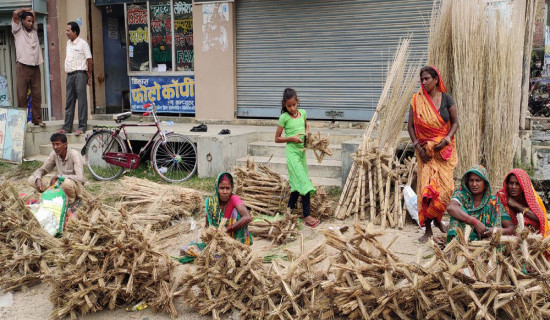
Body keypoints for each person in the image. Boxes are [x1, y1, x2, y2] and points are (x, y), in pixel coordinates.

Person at [408, 66, 459, 242]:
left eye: (427, 78)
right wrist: (419, 148)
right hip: (426, 154)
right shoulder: (416, 100)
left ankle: (438, 220)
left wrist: (447, 139)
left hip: (444, 152)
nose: (424, 82)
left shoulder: (446, 98)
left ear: (436, 79)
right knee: (427, 191)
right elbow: (411, 127)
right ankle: (428, 229)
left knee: (446, 190)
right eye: (422, 79)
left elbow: (455, 123)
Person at [275, 88, 320, 228]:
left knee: (296, 185)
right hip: (292, 154)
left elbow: (306, 126)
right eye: (289, 106)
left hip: (301, 154)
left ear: (297, 102)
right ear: (284, 104)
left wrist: (308, 133)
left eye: (294, 105)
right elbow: (277, 139)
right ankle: (307, 215)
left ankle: (288, 211)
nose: (292, 108)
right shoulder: (284, 118)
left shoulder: (303, 113)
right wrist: (292, 138)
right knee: (304, 183)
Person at [446, 165, 514, 242]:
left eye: (478, 180)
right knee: (457, 213)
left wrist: (498, 231)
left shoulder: (494, 202)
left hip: (486, 244)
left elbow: (511, 228)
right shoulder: (461, 194)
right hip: (462, 241)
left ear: (485, 183)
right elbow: (451, 208)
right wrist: (475, 223)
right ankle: (455, 246)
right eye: (471, 180)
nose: (474, 184)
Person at [28, 133, 85, 204]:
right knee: (31, 179)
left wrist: (60, 176)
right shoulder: (54, 154)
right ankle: (51, 197)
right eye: (53, 144)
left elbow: (80, 178)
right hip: (59, 184)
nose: (55, 147)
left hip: (75, 187)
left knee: (65, 183)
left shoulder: (74, 154)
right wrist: (38, 179)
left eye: (58, 144)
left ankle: (71, 202)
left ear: (65, 145)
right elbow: (42, 169)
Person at [11, 7, 45, 127]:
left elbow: (34, 13)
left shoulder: (34, 30)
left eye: (32, 21)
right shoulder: (17, 30)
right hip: (22, 66)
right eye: (28, 21)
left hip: (35, 67)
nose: (31, 23)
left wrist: (31, 11)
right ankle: (22, 121)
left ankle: (37, 120)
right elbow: (15, 13)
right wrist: (25, 9)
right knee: (22, 95)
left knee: (37, 95)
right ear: (22, 21)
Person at [59, 21, 93, 136]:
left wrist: (89, 75)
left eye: (68, 30)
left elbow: (89, 60)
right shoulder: (68, 43)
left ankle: (82, 127)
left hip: (80, 74)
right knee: (69, 101)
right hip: (69, 75)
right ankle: (67, 127)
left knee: (82, 101)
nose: (66, 33)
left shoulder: (83, 43)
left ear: (74, 32)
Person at [496, 168, 550, 238]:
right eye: (511, 183)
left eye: (517, 184)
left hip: (527, 235)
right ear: (507, 184)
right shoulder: (501, 196)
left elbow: (540, 218)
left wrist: (517, 205)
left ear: (523, 186)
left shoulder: (530, 197)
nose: (513, 187)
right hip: (506, 234)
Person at [205, 172, 253, 245]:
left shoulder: (234, 199)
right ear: (217, 188)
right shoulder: (212, 202)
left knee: (237, 214)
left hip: (232, 238)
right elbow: (207, 224)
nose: (225, 192)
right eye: (221, 188)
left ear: (232, 188)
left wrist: (229, 228)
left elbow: (248, 217)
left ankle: (239, 244)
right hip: (216, 238)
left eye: (228, 188)